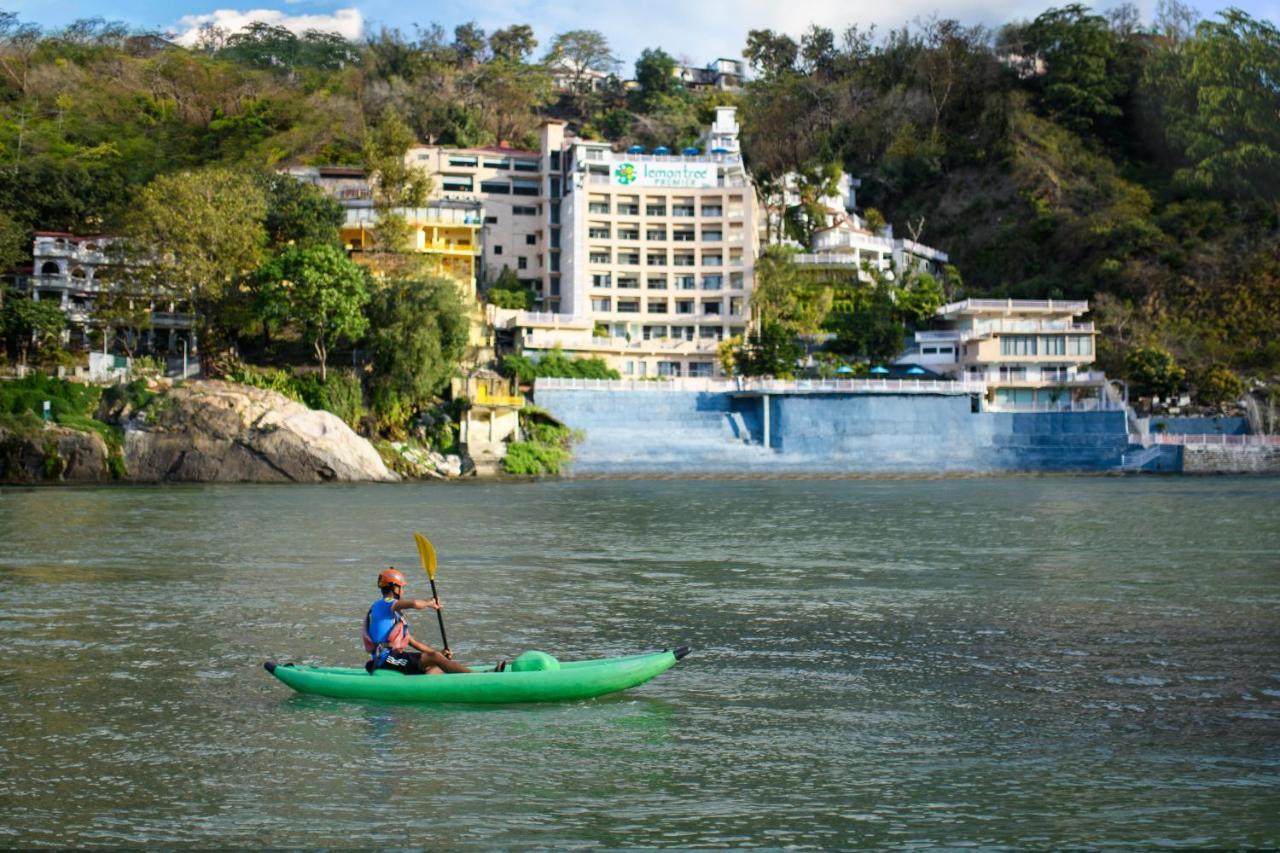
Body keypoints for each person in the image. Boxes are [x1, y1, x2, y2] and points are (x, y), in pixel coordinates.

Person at [363, 567, 471, 675]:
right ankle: (472, 677)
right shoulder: (384, 603)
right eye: (402, 587)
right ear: (395, 588)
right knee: (435, 658)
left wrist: (440, 656)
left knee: (437, 664)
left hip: (395, 658)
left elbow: (413, 642)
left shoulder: (392, 615)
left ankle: (457, 677)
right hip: (385, 659)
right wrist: (430, 603)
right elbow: (414, 604)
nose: (403, 591)